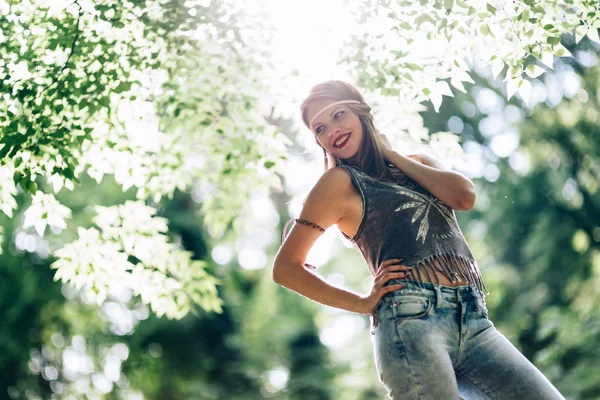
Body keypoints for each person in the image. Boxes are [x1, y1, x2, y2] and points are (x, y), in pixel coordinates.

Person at [272, 80, 565, 399]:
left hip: (474, 317)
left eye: (339, 114)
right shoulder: (338, 183)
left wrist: (390, 153)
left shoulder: (419, 163)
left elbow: (463, 196)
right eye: (320, 128)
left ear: (361, 112)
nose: (332, 131)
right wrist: (360, 302)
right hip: (409, 319)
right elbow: (286, 268)